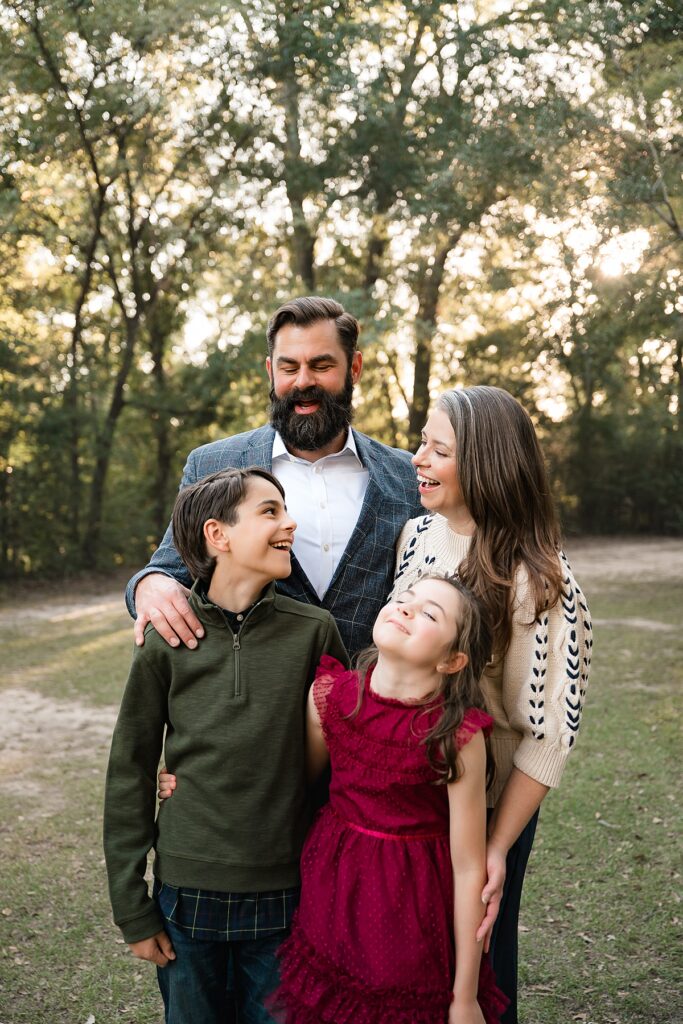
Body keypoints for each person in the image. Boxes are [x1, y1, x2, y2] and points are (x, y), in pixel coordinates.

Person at [103, 467, 348, 1024]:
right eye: (270, 511)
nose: (290, 523)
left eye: (285, 509)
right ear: (219, 535)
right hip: (186, 897)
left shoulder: (315, 631)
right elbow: (130, 769)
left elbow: (339, 769)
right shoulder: (165, 639)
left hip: (287, 893)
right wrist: (131, 909)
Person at [389, 385, 593, 1023]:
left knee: (479, 966)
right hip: (409, 797)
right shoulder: (415, 536)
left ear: (483, 464)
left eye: (438, 448)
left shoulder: (542, 580)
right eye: (421, 441)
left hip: (486, 809)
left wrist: (499, 847)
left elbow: (548, 735)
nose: (417, 458)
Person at [126, 296, 422, 659]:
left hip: (370, 704)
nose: (303, 381)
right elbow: (166, 568)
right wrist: (148, 585)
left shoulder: (409, 476)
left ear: (354, 368)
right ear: (271, 370)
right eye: (288, 367)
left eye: (321, 365)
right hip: (253, 704)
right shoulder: (213, 463)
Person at [273, 575, 508, 1024]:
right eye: (404, 598)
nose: (405, 608)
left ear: (453, 660)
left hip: (414, 906)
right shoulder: (329, 697)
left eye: (429, 614)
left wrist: (465, 996)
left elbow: (467, 867)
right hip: (332, 891)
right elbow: (291, 787)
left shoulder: (456, 737)